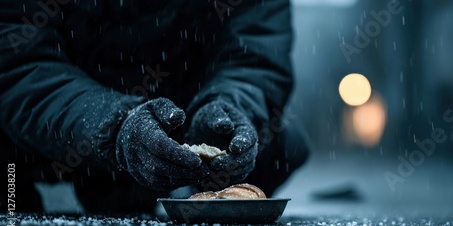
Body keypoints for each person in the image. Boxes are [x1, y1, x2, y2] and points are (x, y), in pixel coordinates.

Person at [0, 0, 309, 214]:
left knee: (284, 143)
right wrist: (114, 125)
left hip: (179, 117)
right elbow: (18, 65)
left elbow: (252, 60)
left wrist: (229, 105)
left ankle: (185, 193)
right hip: (53, 132)